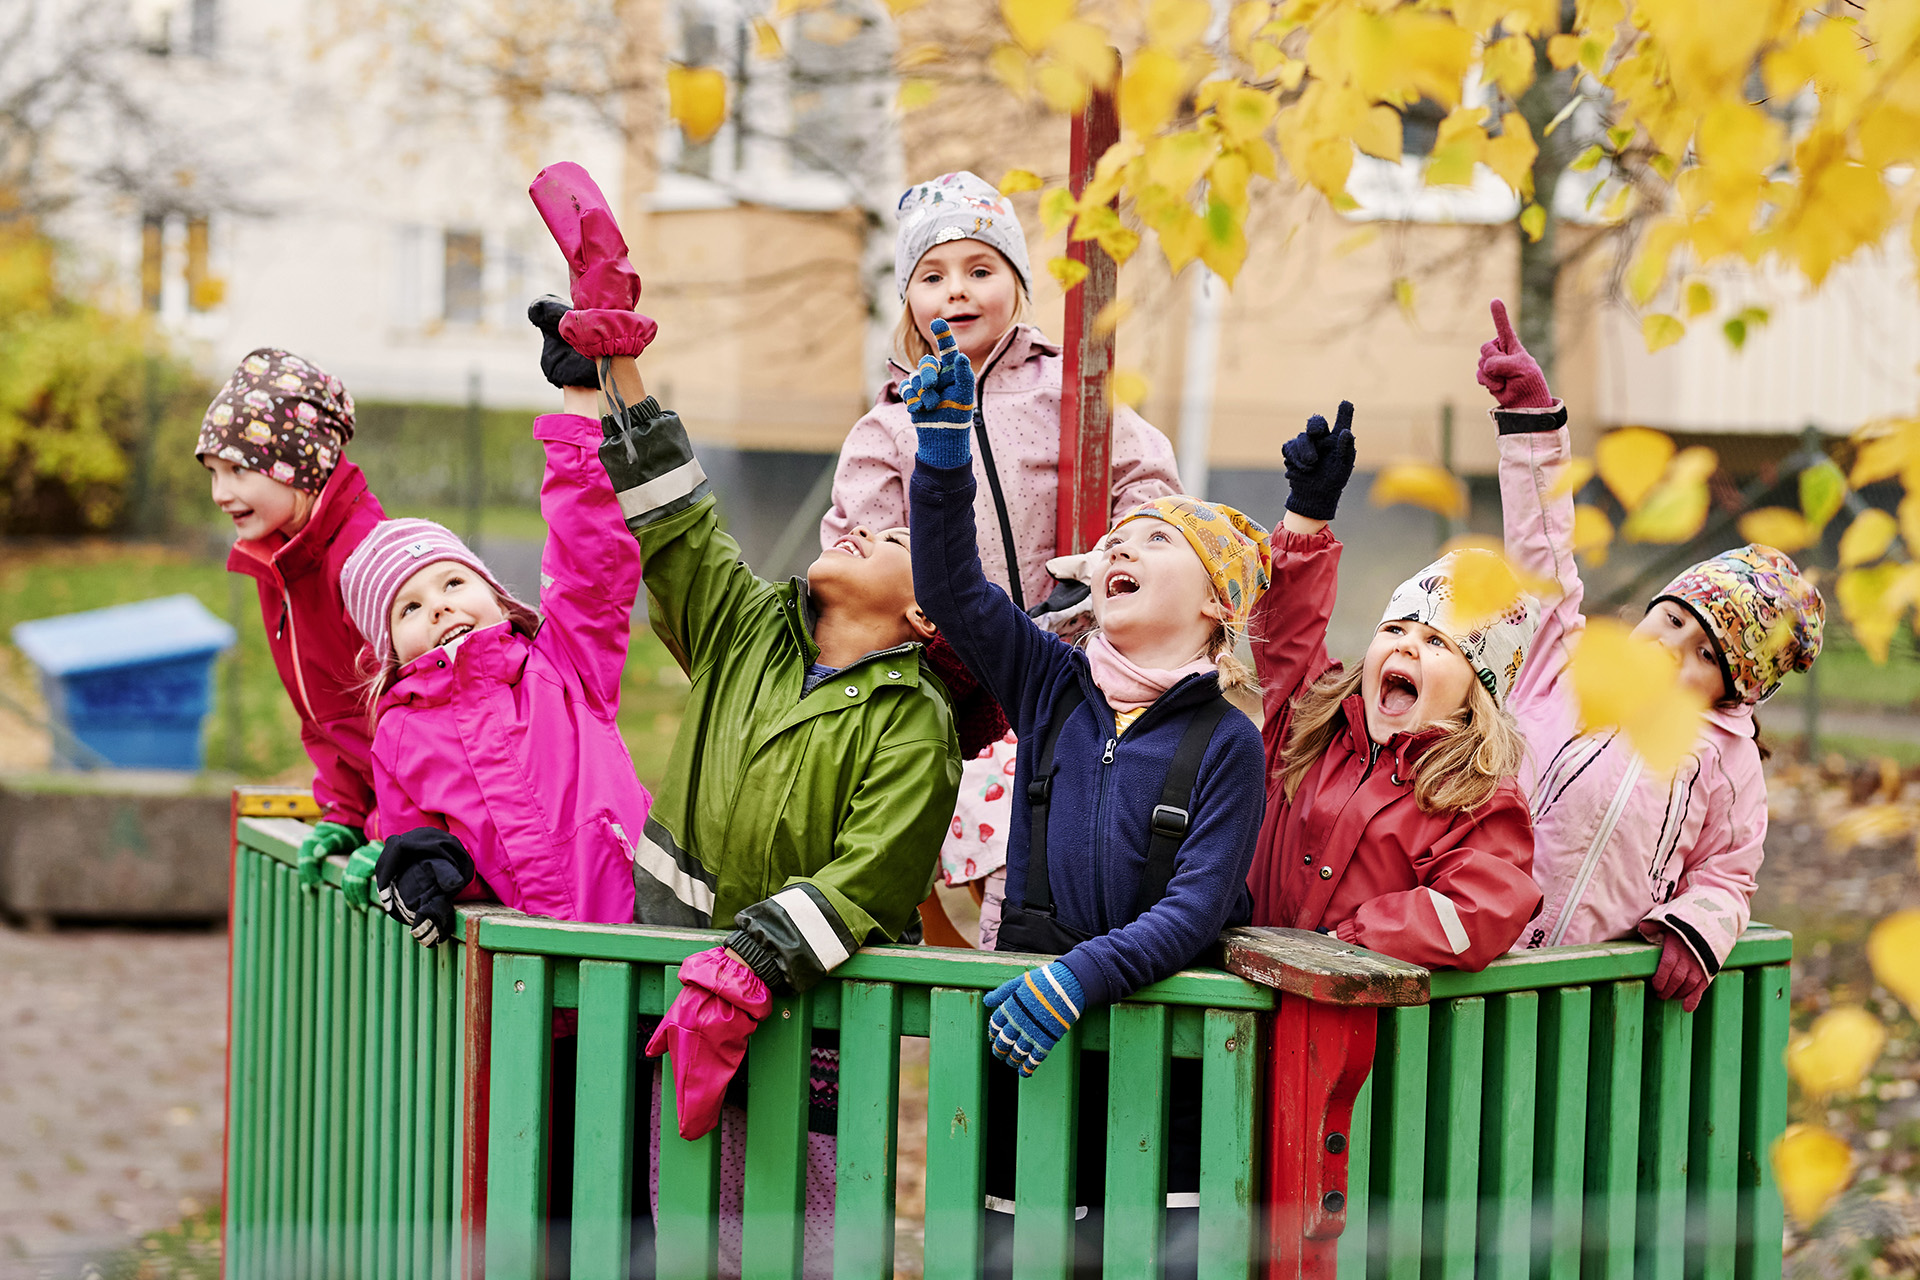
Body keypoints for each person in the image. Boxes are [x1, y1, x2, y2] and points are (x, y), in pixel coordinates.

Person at [524, 160, 990, 1277]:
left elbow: (872, 874)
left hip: (807, 1033)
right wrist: (619, 353)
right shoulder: (746, 631)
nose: (857, 528)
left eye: (886, 538)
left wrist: (753, 964)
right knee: (665, 1230)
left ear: (925, 612)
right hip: (669, 979)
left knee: (789, 1240)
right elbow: (676, 517)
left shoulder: (909, 721)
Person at [904, 321, 1266, 1278]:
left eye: (1153, 539)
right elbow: (949, 585)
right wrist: (943, 455)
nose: (1119, 548)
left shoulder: (1228, 742)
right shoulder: (1049, 679)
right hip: (1034, 1038)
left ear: (1217, 605)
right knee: (1014, 1254)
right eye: (1115, 539)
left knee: (1147, 1257)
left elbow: (1196, 908)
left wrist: (1085, 979)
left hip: (1166, 1049)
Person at [821, 170, 1183, 946]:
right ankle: (958, 971)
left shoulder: (1071, 392)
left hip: (1072, 656)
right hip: (947, 678)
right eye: (933, 275)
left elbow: (1148, 487)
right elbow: (863, 546)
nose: (957, 292)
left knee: (1036, 841)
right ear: (909, 298)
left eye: (981, 270)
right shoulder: (889, 427)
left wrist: (1106, 569)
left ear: (1017, 285)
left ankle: (1020, 967)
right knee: (941, 829)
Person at [1477, 298, 1823, 1009]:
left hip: (1591, 995)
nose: (1670, 651)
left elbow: (1727, 873)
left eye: (1704, 655)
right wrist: (1533, 430)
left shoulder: (1724, 763)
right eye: (1670, 621)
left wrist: (1693, 927)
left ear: (1734, 692)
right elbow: (1543, 556)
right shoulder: (1567, 666)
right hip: (1475, 956)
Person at [333, 234, 657, 926]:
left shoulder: (563, 664)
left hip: (634, 946)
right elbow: (406, 833)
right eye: (410, 606)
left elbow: (589, 552)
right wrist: (417, 867)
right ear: (388, 645)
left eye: (453, 583)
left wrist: (579, 404)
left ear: (492, 593)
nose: (441, 608)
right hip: (516, 983)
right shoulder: (399, 736)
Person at [1245, 401, 1543, 971]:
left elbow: (1482, 909)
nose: (1407, 645)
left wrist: (1350, 943)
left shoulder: (1478, 798)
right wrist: (1307, 513)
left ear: (1475, 693)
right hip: (1243, 1004)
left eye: (1438, 643)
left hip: (1363, 1029)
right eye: (1395, 629)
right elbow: (1286, 634)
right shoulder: (1311, 725)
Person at [199, 348, 387, 891]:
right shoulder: (280, 561)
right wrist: (345, 813)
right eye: (213, 472)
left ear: (299, 467)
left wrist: (398, 828)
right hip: (381, 813)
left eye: (237, 470)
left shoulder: (361, 561)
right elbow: (323, 712)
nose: (220, 493)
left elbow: (412, 721)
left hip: (427, 819)